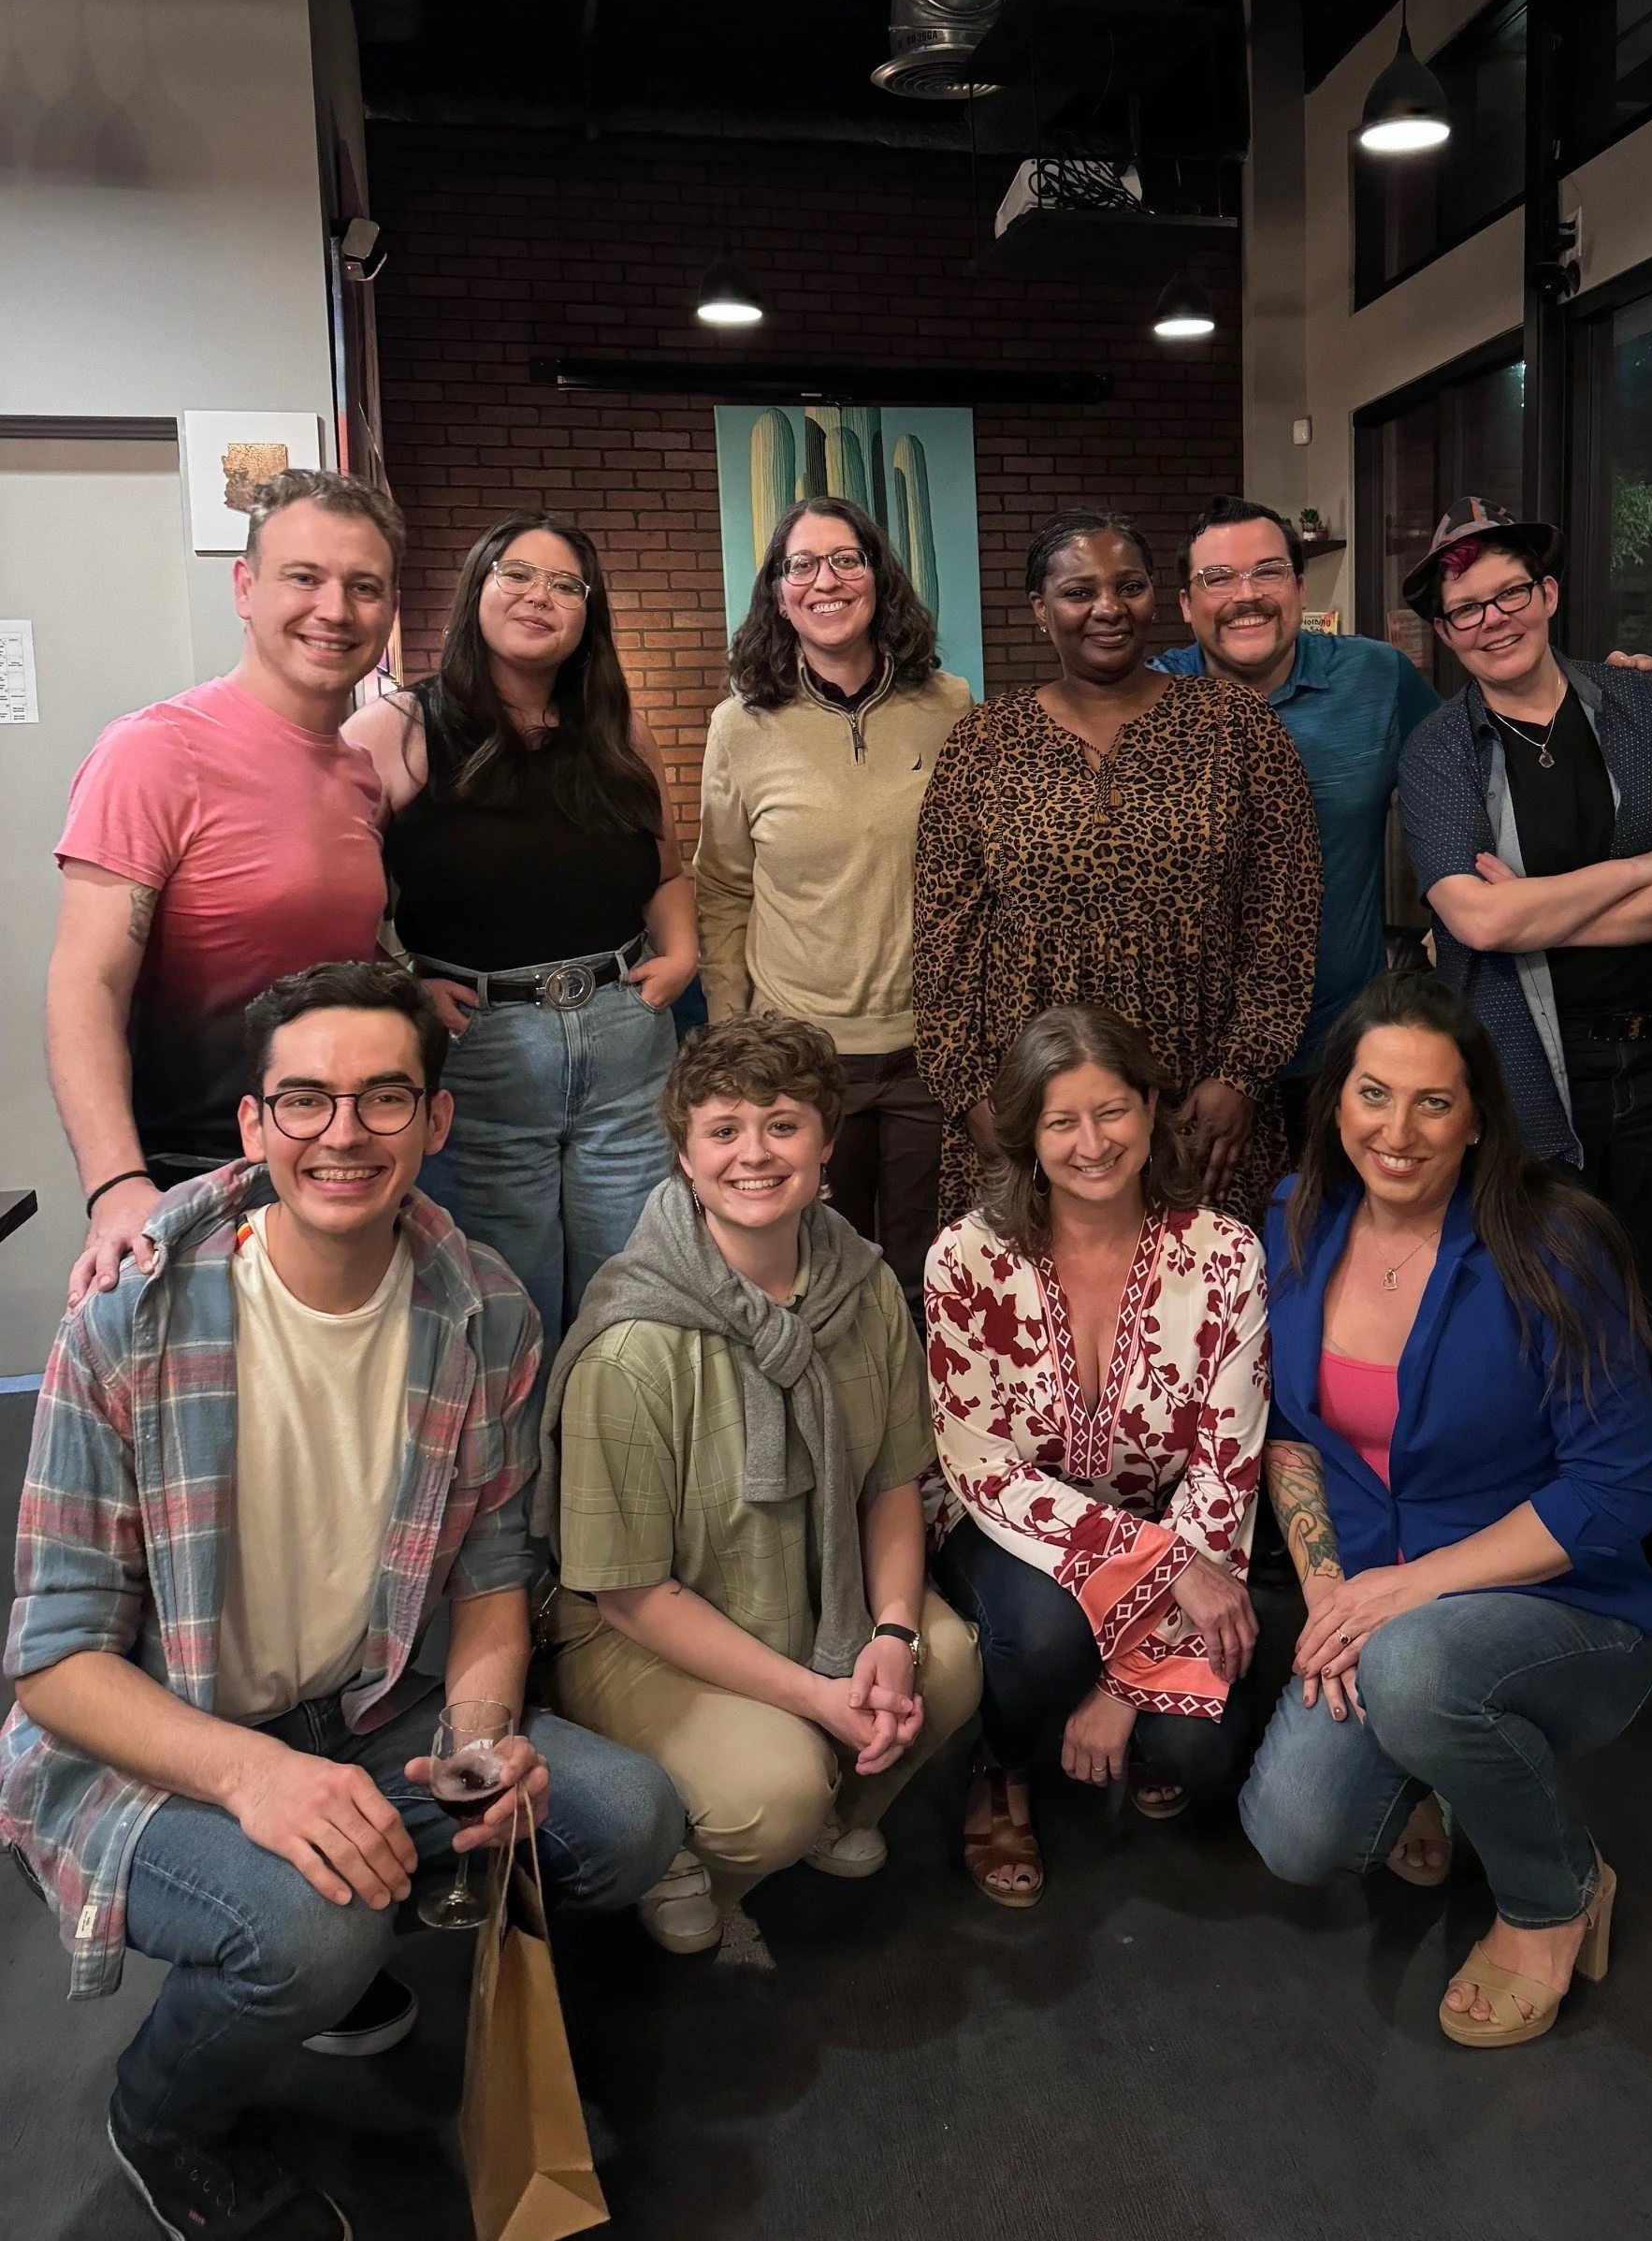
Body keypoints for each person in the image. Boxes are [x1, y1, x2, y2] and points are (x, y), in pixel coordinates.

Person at [1, 961, 683, 2241]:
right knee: (313, 1940)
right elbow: (52, 1665)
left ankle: (366, 1892)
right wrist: (255, 1782)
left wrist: (481, 1737)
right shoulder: (125, 1327)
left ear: (437, 1120)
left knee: (627, 1818)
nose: (343, 1135)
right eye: (303, 1102)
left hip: (365, 1707)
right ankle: (159, 2114)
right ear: (253, 1126)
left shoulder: (482, 1311)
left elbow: (488, 1580)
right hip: (155, 1736)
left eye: (384, 1099)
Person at [1238, 971, 1652, 2050]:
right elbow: (1291, 1432)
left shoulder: (1557, 1245)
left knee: (1417, 1671)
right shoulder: (1298, 1218)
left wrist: (1411, 1590)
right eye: (1374, 1094)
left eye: (1435, 1102)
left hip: (1569, 1615)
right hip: (1374, 1601)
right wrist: (1331, 1588)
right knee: (1293, 1833)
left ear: (1477, 1120)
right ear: (1336, 1102)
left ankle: (1554, 1895)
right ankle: (1437, 1769)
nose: (1400, 1129)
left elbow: (1615, 1494)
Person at [538, 1011, 982, 1951]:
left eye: (783, 1124)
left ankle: (824, 1787)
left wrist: (895, 1633)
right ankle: (686, 1849)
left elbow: (891, 1484)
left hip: (814, 1589)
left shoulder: (861, 1289)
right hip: (650, 1631)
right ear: (686, 1154)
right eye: (724, 1130)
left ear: (826, 1145)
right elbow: (630, 1594)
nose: (755, 1154)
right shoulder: (634, 1344)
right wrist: (814, 1697)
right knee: (771, 1796)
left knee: (947, 1671)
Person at [1393, 497, 1652, 1648]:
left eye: (1508, 595)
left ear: (1548, 597)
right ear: (1446, 637)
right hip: (1528, 1085)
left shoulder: (1645, 706)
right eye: (1465, 613)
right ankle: (1573, 1560)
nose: (1491, 620)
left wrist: (1538, 905)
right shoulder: (1441, 750)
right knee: (1551, 1329)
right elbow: (1472, 926)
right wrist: (1645, 866)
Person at [926, 1004, 1270, 1908]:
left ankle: (1109, 1706)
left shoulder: (1228, 1256)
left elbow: (1224, 1471)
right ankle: (1001, 1764)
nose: (1091, 1142)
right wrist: (1162, 1566)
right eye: (1060, 1120)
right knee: (1040, 1633)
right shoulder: (965, 1258)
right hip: (1006, 1529)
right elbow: (982, 1467)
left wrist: (1127, 1684)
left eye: (1112, 1111)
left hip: (1176, 1532)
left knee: (1195, 1754)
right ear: (1024, 1135)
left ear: (1153, 1111)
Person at [346, 511, 698, 1355]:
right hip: (483, 1051)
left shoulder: (618, 729)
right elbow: (331, 901)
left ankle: (620, 1481)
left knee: (637, 1298)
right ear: (477, 590)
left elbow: (668, 868)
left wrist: (682, 952)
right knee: (507, 1309)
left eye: (566, 585)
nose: (540, 596)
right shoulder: (397, 727)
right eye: (517, 574)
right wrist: (402, 984)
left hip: (625, 1039)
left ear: (588, 614)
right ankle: (521, 1488)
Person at [48, 469, 400, 1307]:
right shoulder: (154, 752)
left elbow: (320, 949)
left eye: (364, 587)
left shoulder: (357, 774)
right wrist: (115, 1188)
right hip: (192, 1187)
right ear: (245, 588)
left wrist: (412, 988)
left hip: (331, 1168)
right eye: (304, 577)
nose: (335, 609)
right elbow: (83, 986)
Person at [913, 507, 1320, 1228]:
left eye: (1128, 586)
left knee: (1198, 1317)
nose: (1108, 608)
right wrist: (972, 1095)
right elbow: (944, 941)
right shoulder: (983, 742)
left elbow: (1284, 917)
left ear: (1156, 596)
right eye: (1079, 592)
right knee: (1040, 1318)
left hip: (1201, 1092)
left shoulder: (1236, 727)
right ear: (1041, 608)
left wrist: (1243, 1075)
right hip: (1033, 1101)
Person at [694, 493, 972, 1314]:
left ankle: (930, 1437)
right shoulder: (739, 726)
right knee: (819, 1276)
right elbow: (722, 888)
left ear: (878, 579)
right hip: (804, 1058)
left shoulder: (949, 706)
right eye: (802, 564)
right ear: (778, 592)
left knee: (933, 1274)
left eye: (846, 560)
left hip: (931, 1051)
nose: (827, 580)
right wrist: (731, 1028)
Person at [1154, 497, 1439, 1150]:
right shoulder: (1148, 701)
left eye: (1268, 572)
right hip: (1193, 1063)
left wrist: (1594, 692)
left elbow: (1476, 775)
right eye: (1217, 577)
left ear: (1300, 588)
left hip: (1344, 1047)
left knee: (1336, 1244)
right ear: (1184, 605)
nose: (1245, 596)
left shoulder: (1376, 676)